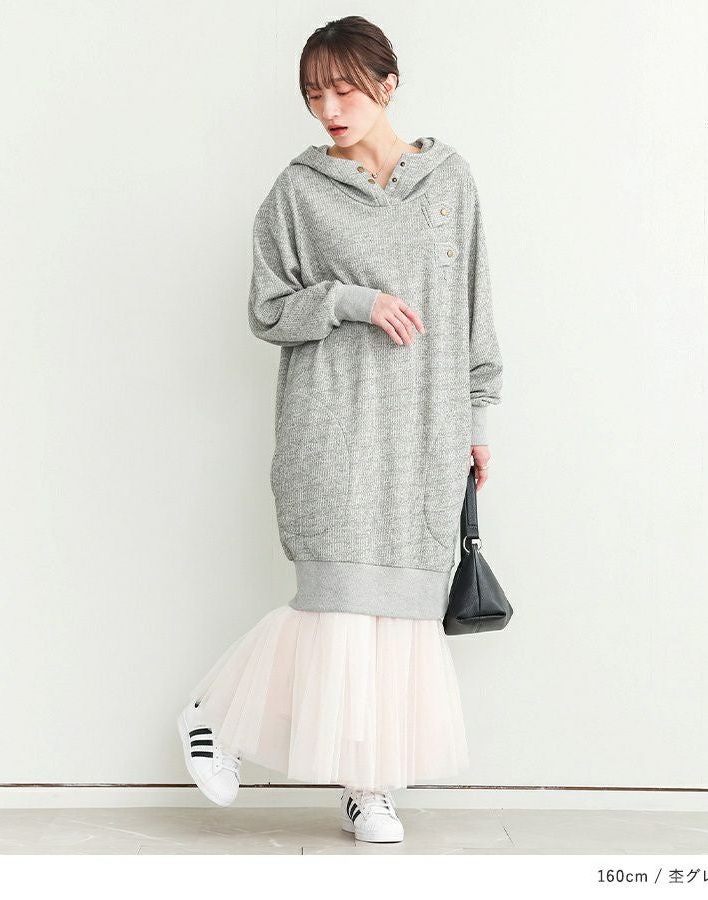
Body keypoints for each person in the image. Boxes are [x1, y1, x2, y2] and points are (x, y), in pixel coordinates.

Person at [177, 14, 503, 844]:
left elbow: (474, 307)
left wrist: (477, 417)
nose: (328, 109)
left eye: (344, 90)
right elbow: (267, 309)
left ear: (388, 85)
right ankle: (214, 714)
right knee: (336, 602)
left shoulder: (450, 181)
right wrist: (353, 301)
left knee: (398, 616)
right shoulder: (298, 191)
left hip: (424, 428)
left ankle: (370, 787)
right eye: (314, 94)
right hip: (332, 421)